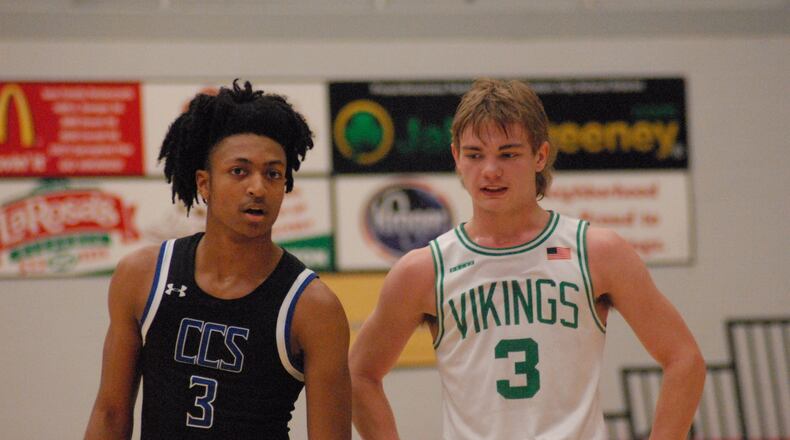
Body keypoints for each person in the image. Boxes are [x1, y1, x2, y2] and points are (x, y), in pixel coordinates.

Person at [349, 78, 705, 439]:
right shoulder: (425, 270)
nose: (490, 170)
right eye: (475, 154)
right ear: (456, 156)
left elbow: (684, 358)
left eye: (508, 154)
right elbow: (358, 374)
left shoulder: (597, 253)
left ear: (540, 155)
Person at [85, 80, 351, 440]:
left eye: (273, 173)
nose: (258, 187)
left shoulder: (313, 308)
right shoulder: (143, 276)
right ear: (204, 184)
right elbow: (110, 414)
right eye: (239, 171)